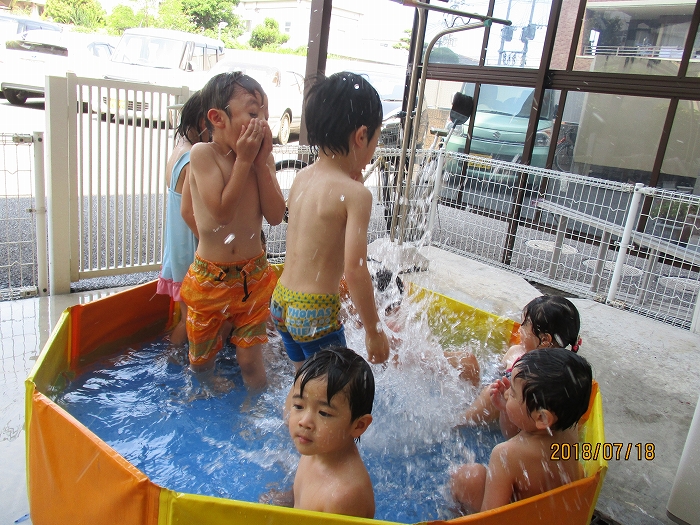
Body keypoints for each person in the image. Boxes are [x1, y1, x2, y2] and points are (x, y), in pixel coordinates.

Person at [270, 72, 390, 369]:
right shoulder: (357, 195)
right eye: (376, 140)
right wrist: (374, 330)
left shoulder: (302, 177)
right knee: (333, 391)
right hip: (315, 311)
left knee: (303, 384)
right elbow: (355, 269)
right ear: (361, 136)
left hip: (281, 301)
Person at [180, 72, 286, 390]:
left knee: (251, 362)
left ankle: (256, 407)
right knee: (201, 360)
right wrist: (244, 161)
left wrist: (260, 164)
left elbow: (276, 216)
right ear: (218, 118)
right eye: (253, 113)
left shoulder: (261, 160)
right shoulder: (203, 155)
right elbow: (222, 213)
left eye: (265, 114)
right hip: (210, 278)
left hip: (253, 276)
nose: (262, 123)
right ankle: (203, 392)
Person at [450, 348, 592, 513]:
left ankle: (455, 515)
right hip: (554, 512)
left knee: (468, 477)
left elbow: (492, 517)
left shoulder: (506, 454)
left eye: (513, 393)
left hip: (520, 518)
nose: (507, 393)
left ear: (542, 418)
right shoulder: (567, 427)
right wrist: (506, 410)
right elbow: (512, 435)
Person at [462, 295, 581, 436]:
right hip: (484, 395)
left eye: (524, 325)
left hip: (501, 411)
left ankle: (456, 424)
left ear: (544, 340)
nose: (519, 329)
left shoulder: (543, 380)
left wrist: (504, 405)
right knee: (466, 359)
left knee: (492, 390)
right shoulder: (516, 351)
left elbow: (517, 431)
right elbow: (493, 371)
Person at [288, 346, 376, 518]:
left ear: (358, 426)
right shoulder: (316, 449)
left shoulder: (343, 497)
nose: (304, 422)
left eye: (324, 413)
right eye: (298, 406)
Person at [156, 91, 208, 346]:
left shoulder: (178, 150)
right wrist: (212, 244)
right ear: (202, 122)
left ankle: (175, 356)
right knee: (193, 318)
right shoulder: (192, 158)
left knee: (187, 314)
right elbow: (191, 213)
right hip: (190, 249)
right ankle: (176, 358)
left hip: (176, 248)